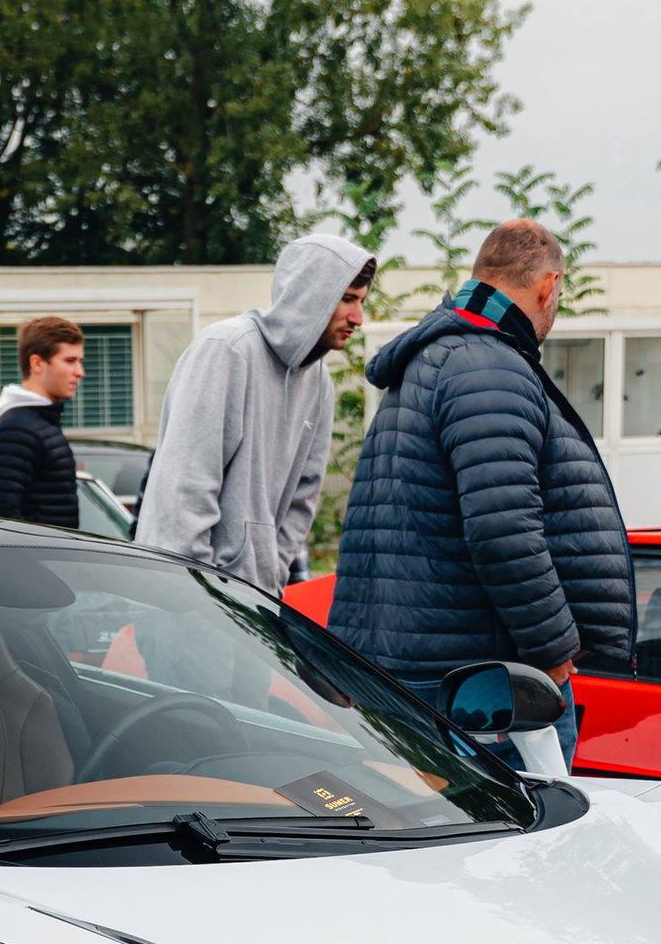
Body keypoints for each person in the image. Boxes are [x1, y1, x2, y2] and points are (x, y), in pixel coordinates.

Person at [327, 217, 634, 754]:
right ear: (549, 286)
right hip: (478, 686)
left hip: (416, 668)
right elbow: (505, 533)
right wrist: (554, 654)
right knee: (528, 835)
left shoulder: (437, 360)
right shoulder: (489, 368)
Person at [133, 229, 373, 592]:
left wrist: (270, 573)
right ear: (311, 295)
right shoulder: (227, 348)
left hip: (252, 601)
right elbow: (186, 486)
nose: (358, 317)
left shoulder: (320, 380)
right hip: (187, 598)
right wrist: (199, 590)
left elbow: (303, 498)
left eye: (362, 301)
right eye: (348, 299)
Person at [0, 316, 85, 529]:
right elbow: (1, 518)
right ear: (37, 363)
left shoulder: (39, 422)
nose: (79, 372)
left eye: (79, 361)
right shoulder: (16, 430)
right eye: (69, 361)